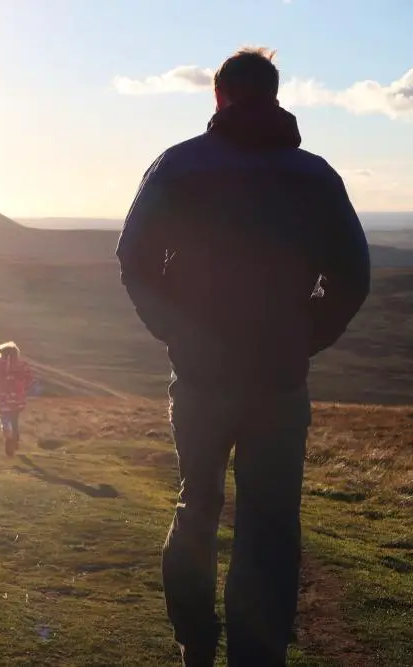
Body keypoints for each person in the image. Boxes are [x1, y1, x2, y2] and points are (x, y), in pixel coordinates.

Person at [116, 47, 370, 667]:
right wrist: (302, 335)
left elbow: (134, 259)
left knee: (196, 504)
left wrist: (176, 331)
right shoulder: (315, 175)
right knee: (271, 525)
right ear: (276, 95)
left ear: (219, 96)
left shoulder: (179, 166)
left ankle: (195, 643)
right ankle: (258, 656)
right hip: (281, 379)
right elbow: (353, 276)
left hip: (201, 374)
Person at [0, 341, 34, 456]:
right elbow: (29, 379)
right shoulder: (22, 365)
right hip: (18, 397)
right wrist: (23, 388)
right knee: (15, 419)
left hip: (4, 397)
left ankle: (8, 435)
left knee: (5, 418)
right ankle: (15, 439)